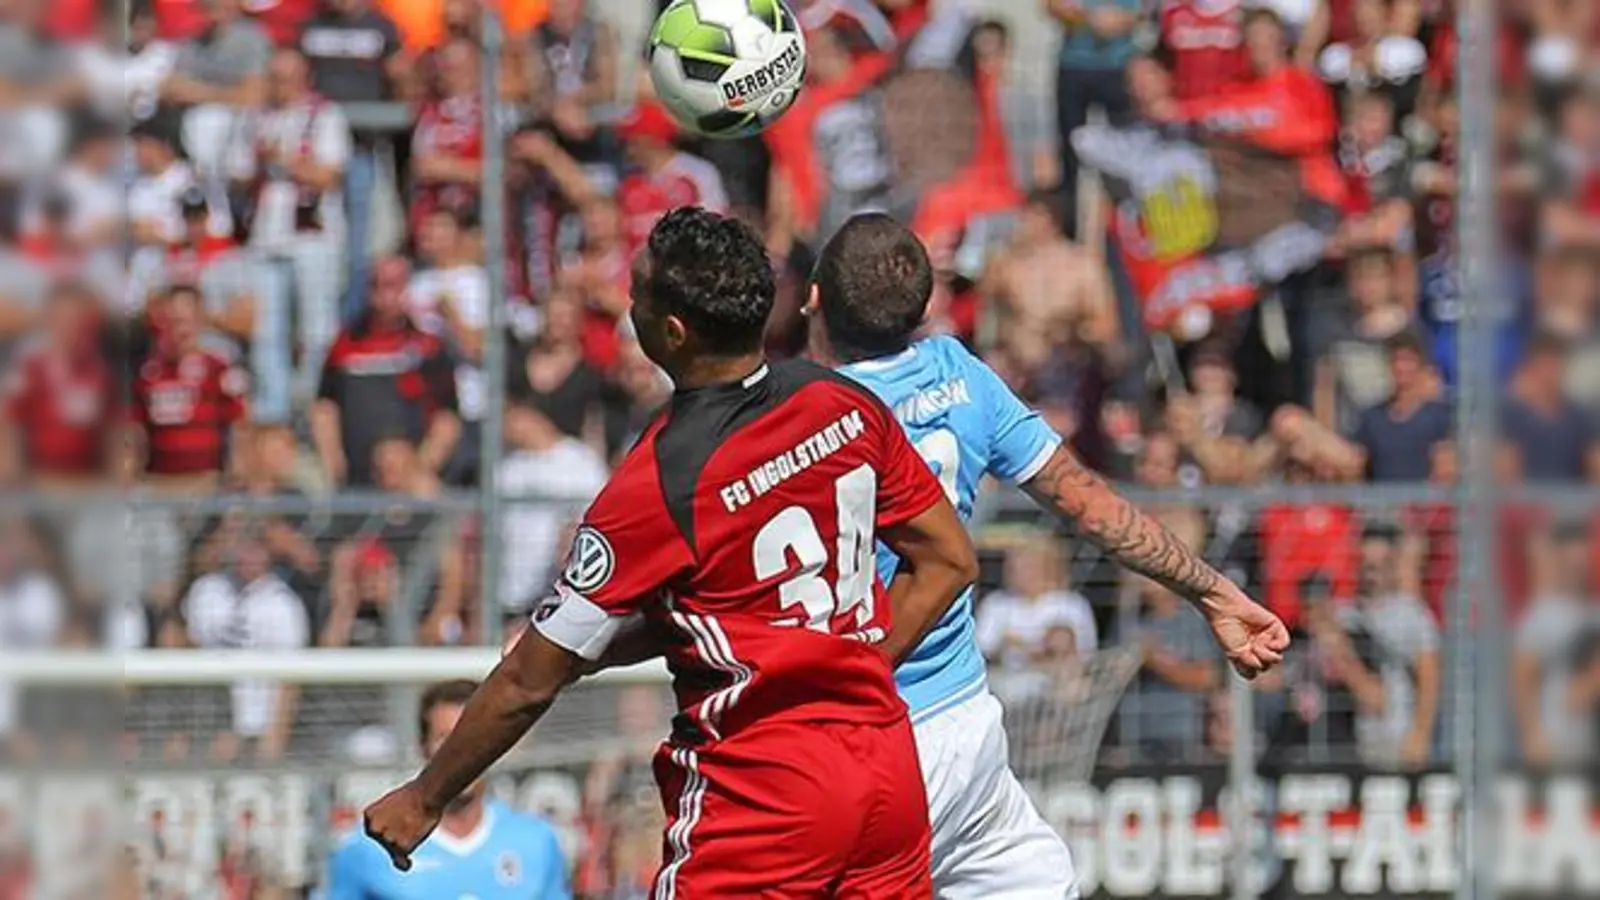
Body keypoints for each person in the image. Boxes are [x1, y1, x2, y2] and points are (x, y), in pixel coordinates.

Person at [362, 207, 979, 897]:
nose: (628, 311)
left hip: (764, 791)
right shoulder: (840, 402)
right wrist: (852, 668)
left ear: (673, 331)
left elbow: (529, 680)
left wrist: (425, 797)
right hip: (884, 766)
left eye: (636, 296)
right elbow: (949, 560)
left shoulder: (660, 478)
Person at [805, 213, 1289, 896]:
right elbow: (1089, 503)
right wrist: (1212, 592)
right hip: (961, 723)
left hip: (859, 730)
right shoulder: (960, 375)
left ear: (814, 300)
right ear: (924, 306)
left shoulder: (796, 418)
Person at [327, 680, 572, 898]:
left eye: (474, 740)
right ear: (423, 747)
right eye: (446, 740)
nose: (462, 756)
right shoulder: (369, 847)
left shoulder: (537, 841)